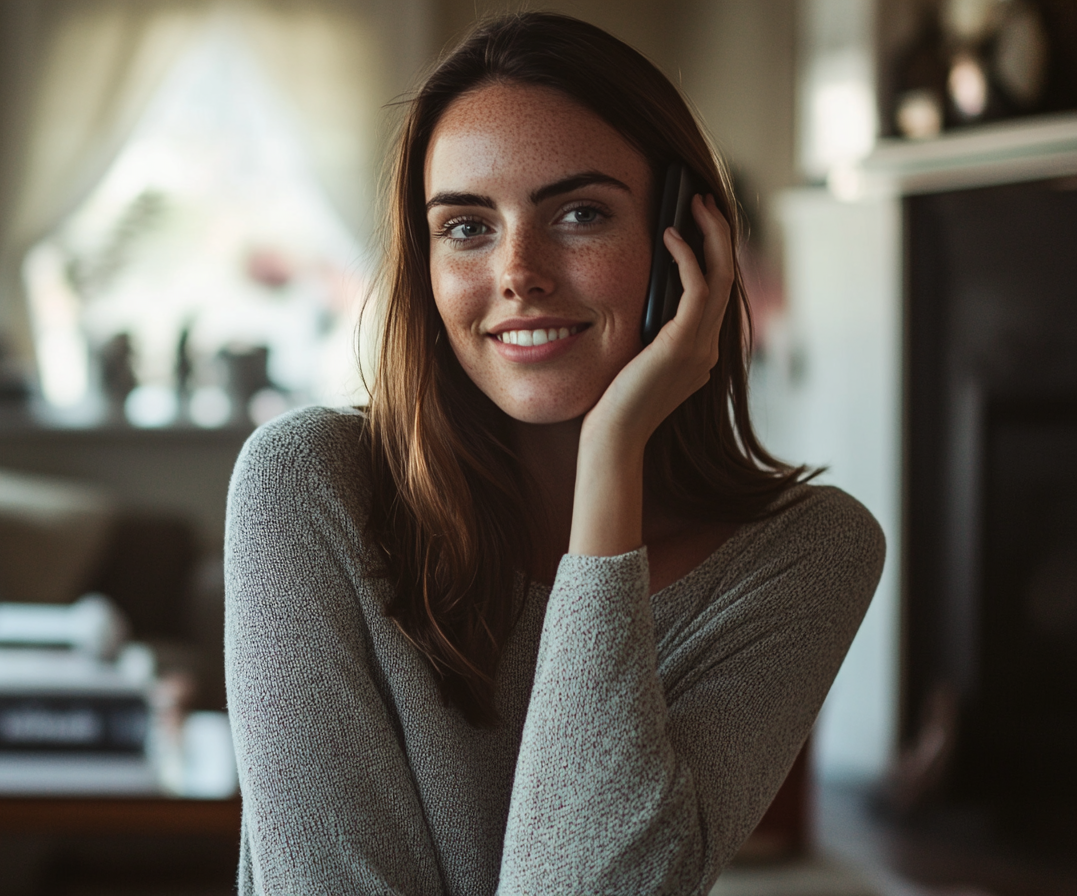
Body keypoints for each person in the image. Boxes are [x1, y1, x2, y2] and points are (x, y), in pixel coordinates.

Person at [224, 12, 884, 895]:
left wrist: (611, 458)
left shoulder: (806, 554)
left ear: (687, 244)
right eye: (466, 227)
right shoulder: (308, 486)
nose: (518, 272)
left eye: (579, 213)